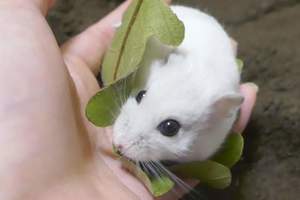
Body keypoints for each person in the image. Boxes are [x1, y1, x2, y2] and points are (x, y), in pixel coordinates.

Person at [0, 0, 257, 199]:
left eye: (170, 127)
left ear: (215, 116)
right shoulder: (157, 59)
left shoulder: (215, 120)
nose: (121, 141)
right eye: (141, 95)